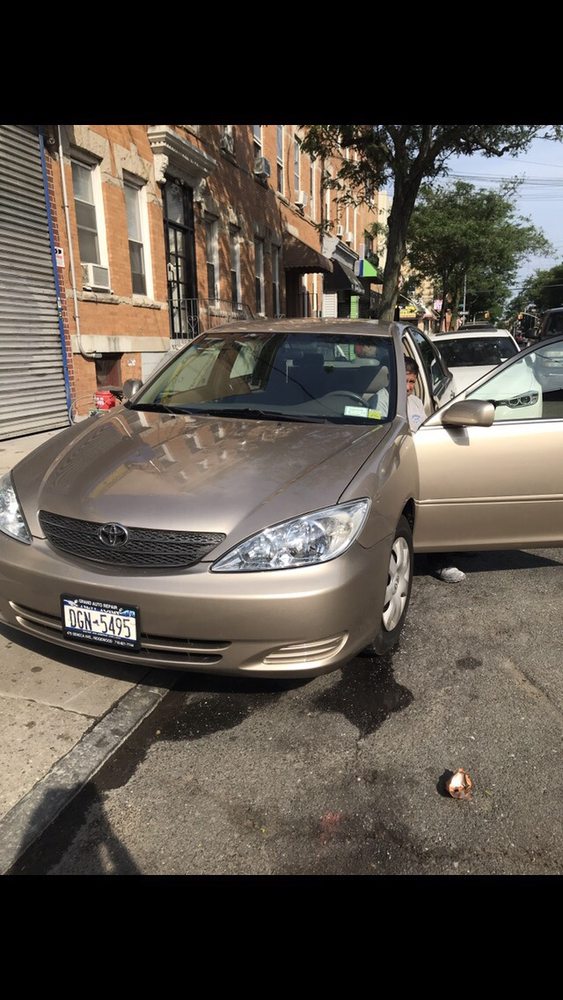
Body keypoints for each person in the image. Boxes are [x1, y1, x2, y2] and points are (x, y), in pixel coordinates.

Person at [405, 356, 466, 584]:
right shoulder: (383, 400)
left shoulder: (415, 402)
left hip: (424, 458)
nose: (409, 387)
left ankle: (450, 548)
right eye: (406, 381)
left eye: (412, 382)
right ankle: (439, 561)